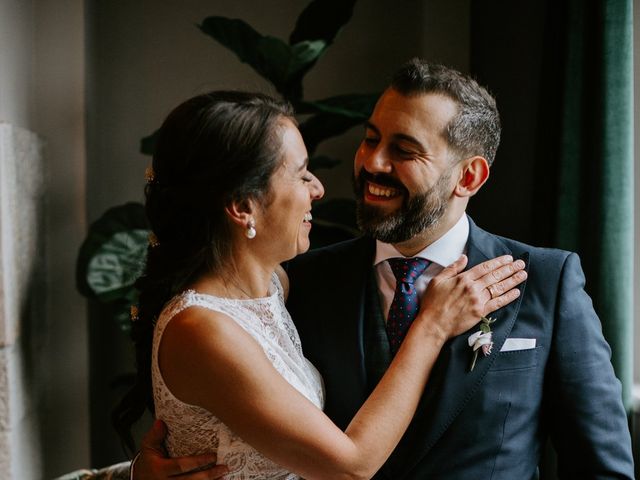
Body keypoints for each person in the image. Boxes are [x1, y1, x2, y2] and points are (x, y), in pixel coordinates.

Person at [132, 60, 635, 479]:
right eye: (370, 139)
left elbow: (602, 468)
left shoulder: (544, 280)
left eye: (403, 150)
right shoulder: (299, 281)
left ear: (470, 175)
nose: (372, 163)